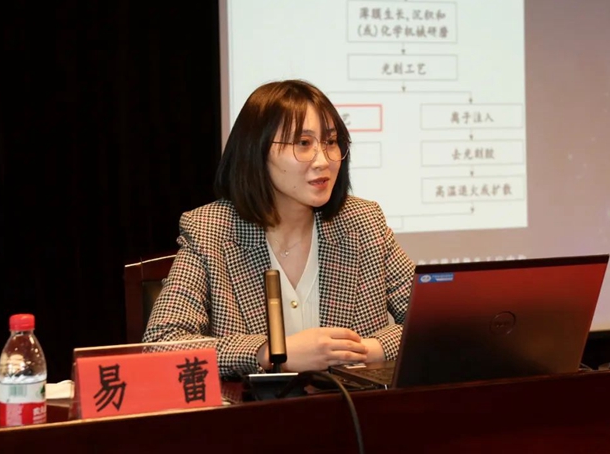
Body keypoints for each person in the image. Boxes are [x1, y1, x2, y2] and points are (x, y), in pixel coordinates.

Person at [143, 79, 414, 379]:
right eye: (303, 143)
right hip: (257, 409)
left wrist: (363, 350)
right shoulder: (211, 231)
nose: (323, 161)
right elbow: (162, 345)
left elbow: (434, 323)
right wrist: (272, 353)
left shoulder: (363, 222)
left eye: (331, 142)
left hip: (352, 407)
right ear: (257, 151)